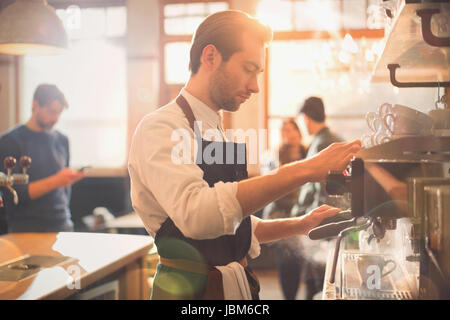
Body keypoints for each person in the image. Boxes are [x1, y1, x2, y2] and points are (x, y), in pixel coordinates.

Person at [128, 10, 361, 300]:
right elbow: (199, 216)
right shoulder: (161, 127)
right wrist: (306, 169)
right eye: (248, 69)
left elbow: (233, 226)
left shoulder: (215, 128)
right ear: (210, 56)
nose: (255, 86)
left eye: (258, 73)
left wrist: (301, 224)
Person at [0, 84, 85, 233]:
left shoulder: (62, 140)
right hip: (26, 229)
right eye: (52, 112)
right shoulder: (10, 141)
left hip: (62, 224)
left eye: (59, 113)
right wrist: (57, 180)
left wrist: (65, 180)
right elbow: (15, 194)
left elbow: (65, 191)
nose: (56, 118)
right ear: (35, 105)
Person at [291, 96, 345, 300]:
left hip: (322, 226)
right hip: (337, 223)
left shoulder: (321, 144)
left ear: (305, 119)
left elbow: (324, 193)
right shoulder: (337, 139)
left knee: (316, 286)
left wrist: (308, 221)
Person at [261, 118, 307, 300]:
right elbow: (271, 187)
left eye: (290, 130)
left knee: (298, 260)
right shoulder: (276, 156)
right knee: (285, 260)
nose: (287, 134)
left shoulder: (308, 153)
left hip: (303, 214)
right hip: (280, 215)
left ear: (298, 132)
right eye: (283, 131)